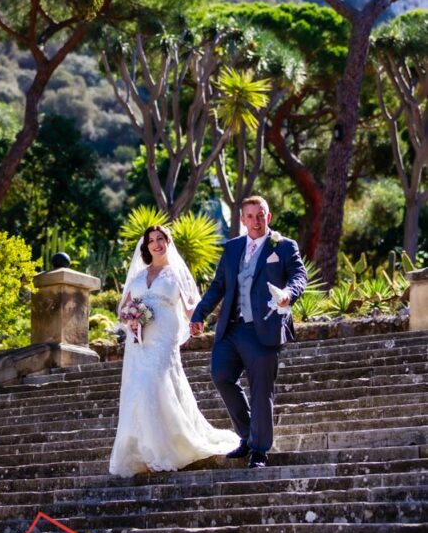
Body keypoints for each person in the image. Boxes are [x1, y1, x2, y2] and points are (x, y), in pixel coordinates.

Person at [109, 225, 237, 477]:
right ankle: (145, 451)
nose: (156, 244)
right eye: (151, 241)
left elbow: (191, 309)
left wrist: (200, 320)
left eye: (160, 239)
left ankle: (164, 451)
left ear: (168, 242)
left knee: (155, 385)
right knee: (139, 391)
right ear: (145, 247)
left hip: (164, 339)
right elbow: (123, 308)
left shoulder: (176, 274)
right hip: (139, 342)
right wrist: (130, 319)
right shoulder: (137, 275)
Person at [190, 195, 308, 469]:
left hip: (263, 328)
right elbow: (218, 286)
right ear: (242, 219)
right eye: (250, 216)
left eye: (261, 215)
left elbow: (299, 277)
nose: (256, 221)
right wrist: (199, 315)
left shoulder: (284, 246)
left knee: (260, 390)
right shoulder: (232, 248)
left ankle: (258, 450)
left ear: (269, 216)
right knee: (220, 375)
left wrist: (288, 295)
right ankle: (247, 436)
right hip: (231, 329)